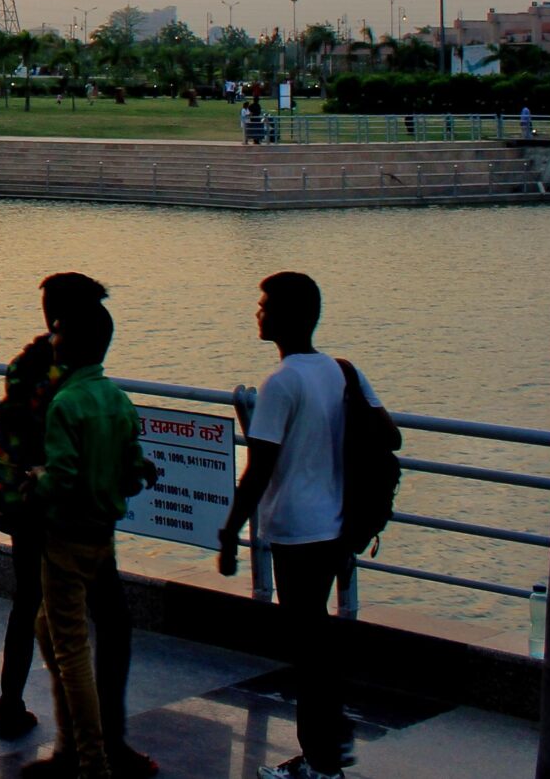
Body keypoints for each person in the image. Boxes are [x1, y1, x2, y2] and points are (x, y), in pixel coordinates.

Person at [215, 272, 379, 779]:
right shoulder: (339, 370)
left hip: (295, 532)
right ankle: (326, 748)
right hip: (334, 528)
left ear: (289, 316)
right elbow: (387, 433)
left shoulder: (282, 382)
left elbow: (259, 468)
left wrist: (229, 533)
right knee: (316, 642)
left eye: (264, 305)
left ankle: (321, 762)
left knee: (307, 651)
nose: (258, 312)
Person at [0, 273, 143, 769]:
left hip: (22, 498)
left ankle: (12, 707)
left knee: (30, 606)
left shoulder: (26, 362)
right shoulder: (72, 379)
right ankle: (102, 741)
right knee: (107, 624)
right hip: (64, 513)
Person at [24, 300, 153, 779]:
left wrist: (35, 478)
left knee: (70, 648)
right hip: (103, 537)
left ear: (72, 345)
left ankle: (90, 759)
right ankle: (72, 743)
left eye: (57, 331)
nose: (51, 338)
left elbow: (60, 478)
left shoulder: (67, 404)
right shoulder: (116, 398)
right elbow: (134, 470)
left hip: (65, 537)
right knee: (47, 627)